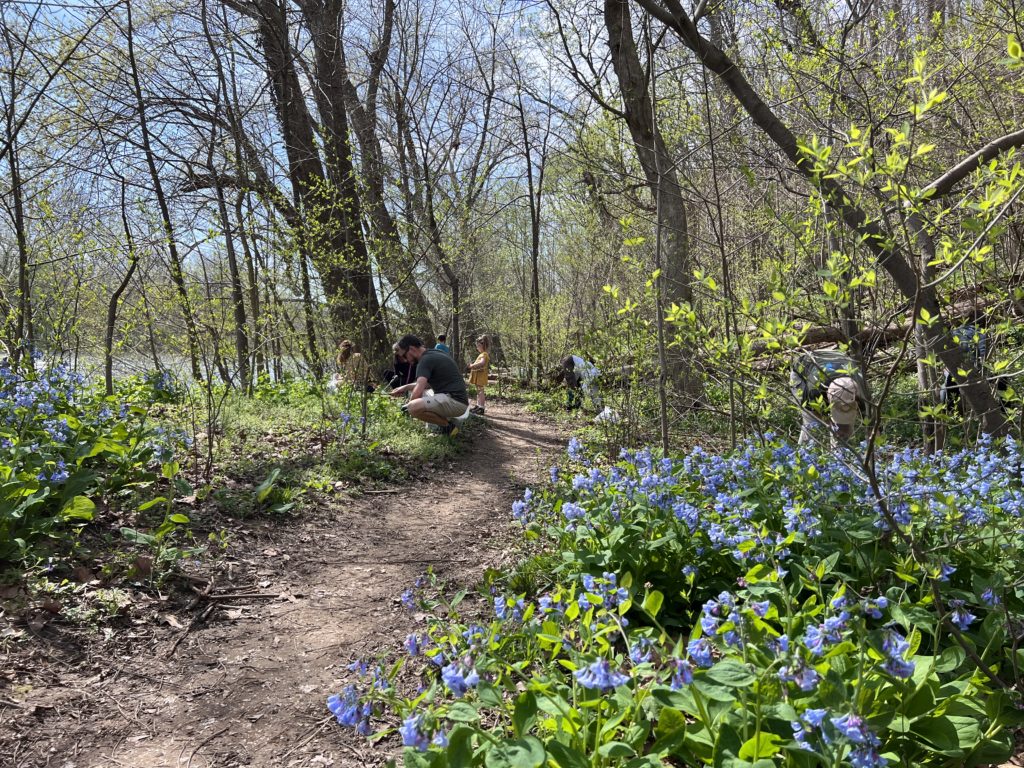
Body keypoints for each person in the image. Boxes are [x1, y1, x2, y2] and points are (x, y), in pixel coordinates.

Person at [389, 334, 470, 436]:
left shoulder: (424, 361)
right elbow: (426, 385)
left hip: (455, 402)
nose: (405, 360)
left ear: (412, 349)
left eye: (404, 356)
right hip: (459, 401)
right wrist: (404, 387)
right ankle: (446, 424)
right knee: (420, 397)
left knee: (413, 407)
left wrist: (407, 408)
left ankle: (448, 427)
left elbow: (417, 393)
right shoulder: (434, 353)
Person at [790, 349, 866, 445]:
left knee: (845, 425)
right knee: (811, 423)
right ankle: (803, 453)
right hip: (803, 369)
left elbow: (873, 423)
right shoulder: (814, 388)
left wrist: (875, 450)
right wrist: (830, 424)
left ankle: (840, 455)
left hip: (836, 357)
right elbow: (812, 411)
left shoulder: (861, 388)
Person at [467, 335, 491, 414]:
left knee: (480, 391)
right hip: (478, 375)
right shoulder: (481, 354)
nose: (477, 348)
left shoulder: (484, 354)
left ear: (482, 345)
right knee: (478, 391)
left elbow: (482, 363)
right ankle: (478, 405)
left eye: (478, 346)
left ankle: (481, 407)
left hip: (481, 376)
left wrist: (472, 366)